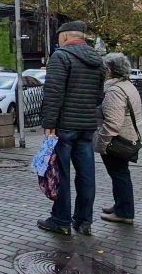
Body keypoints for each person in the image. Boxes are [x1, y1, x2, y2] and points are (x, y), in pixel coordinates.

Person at [38, 21, 106, 236]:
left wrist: (49, 124)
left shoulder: (61, 57)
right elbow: (99, 96)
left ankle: (61, 220)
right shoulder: (98, 60)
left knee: (61, 174)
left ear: (65, 36)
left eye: (59, 37)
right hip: (87, 126)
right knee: (86, 174)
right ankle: (84, 221)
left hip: (64, 126)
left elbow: (53, 92)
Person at [96, 53, 142, 225]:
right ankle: (120, 205)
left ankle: (124, 212)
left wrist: (102, 143)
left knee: (119, 175)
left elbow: (113, 123)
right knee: (120, 173)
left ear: (109, 70)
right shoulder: (127, 85)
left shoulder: (115, 91)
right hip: (129, 136)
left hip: (118, 140)